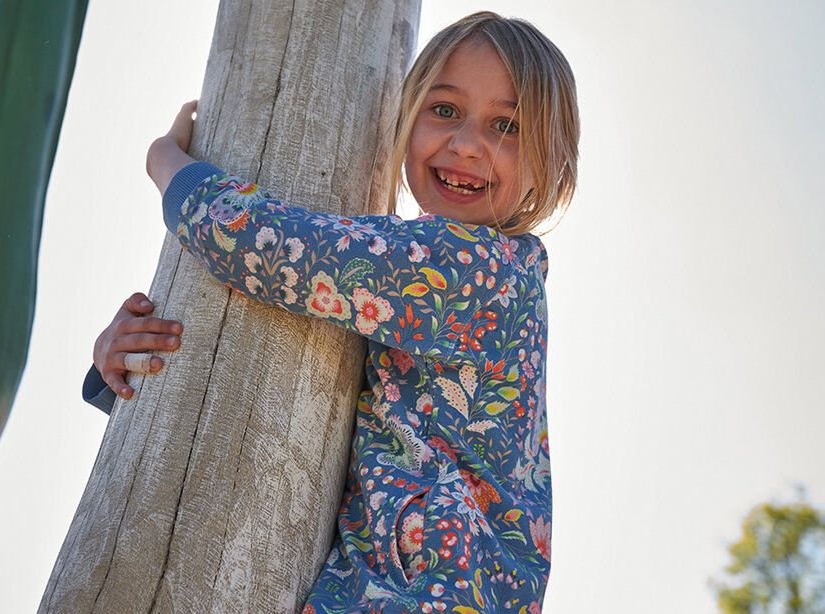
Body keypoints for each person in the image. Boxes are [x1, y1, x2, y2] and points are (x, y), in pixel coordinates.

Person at [83, 11, 579, 613]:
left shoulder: (470, 267)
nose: (466, 144)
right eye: (444, 110)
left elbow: (269, 249)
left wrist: (165, 161)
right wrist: (117, 364)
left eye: (507, 125)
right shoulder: (452, 277)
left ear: (550, 164)